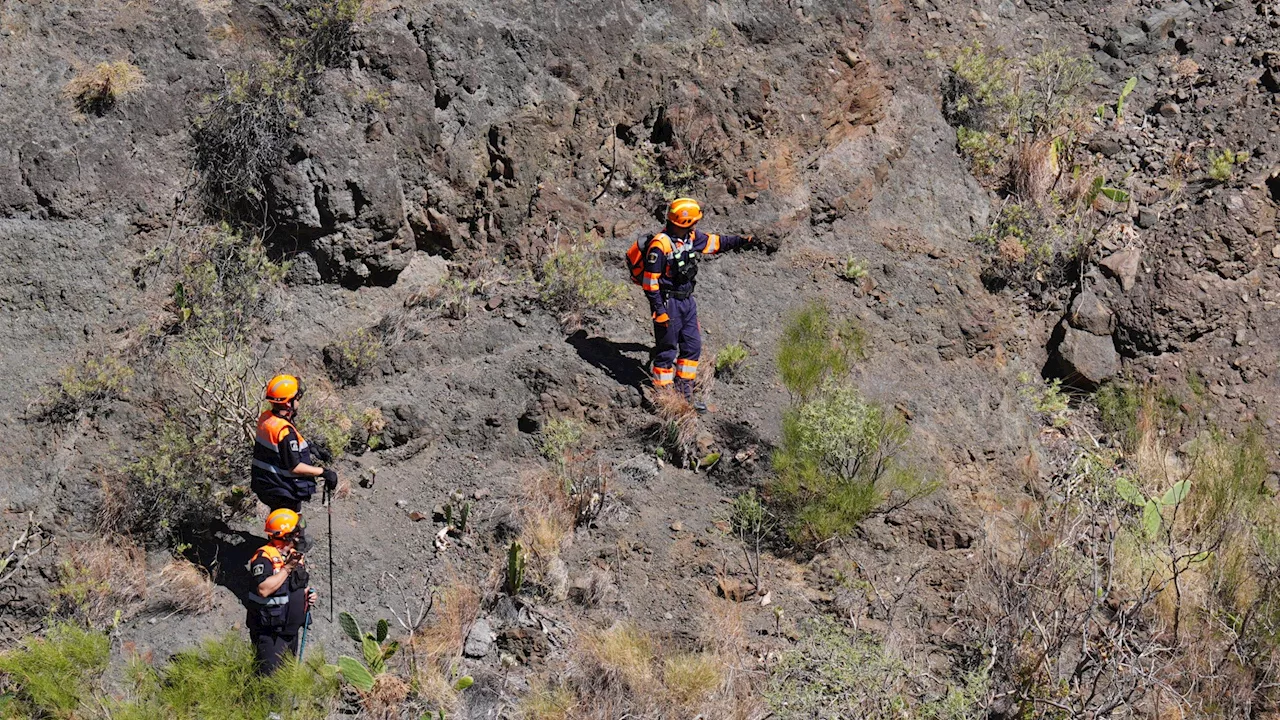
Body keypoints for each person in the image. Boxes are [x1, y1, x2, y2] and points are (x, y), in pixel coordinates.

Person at [636, 198, 754, 411]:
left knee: (692, 347)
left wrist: (741, 241)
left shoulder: (690, 237)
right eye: (694, 221)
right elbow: (650, 283)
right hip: (668, 302)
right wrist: (659, 311)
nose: (696, 225)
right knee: (667, 350)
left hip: (687, 302)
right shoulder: (660, 245)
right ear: (685, 221)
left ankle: (684, 395)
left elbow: (715, 243)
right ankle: (663, 399)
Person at [251, 374, 338, 548]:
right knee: (288, 521)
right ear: (288, 402)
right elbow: (295, 467)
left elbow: (280, 446)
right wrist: (324, 472)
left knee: (280, 517)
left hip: (265, 482)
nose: (299, 402)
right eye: (297, 398)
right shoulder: (284, 431)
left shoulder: (266, 418)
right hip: (282, 488)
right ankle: (287, 552)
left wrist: (310, 446)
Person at [245, 509, 316, 675]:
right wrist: (287, 568)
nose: (300, 536)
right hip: (270, 634)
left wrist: (308, 595)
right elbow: (263, 589)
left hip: (291, 631)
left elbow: (296, 587)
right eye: (296, 533)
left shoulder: (295, 556)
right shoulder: (263, 556)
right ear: (284, 536)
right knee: (268, 682)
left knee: (285, 679)